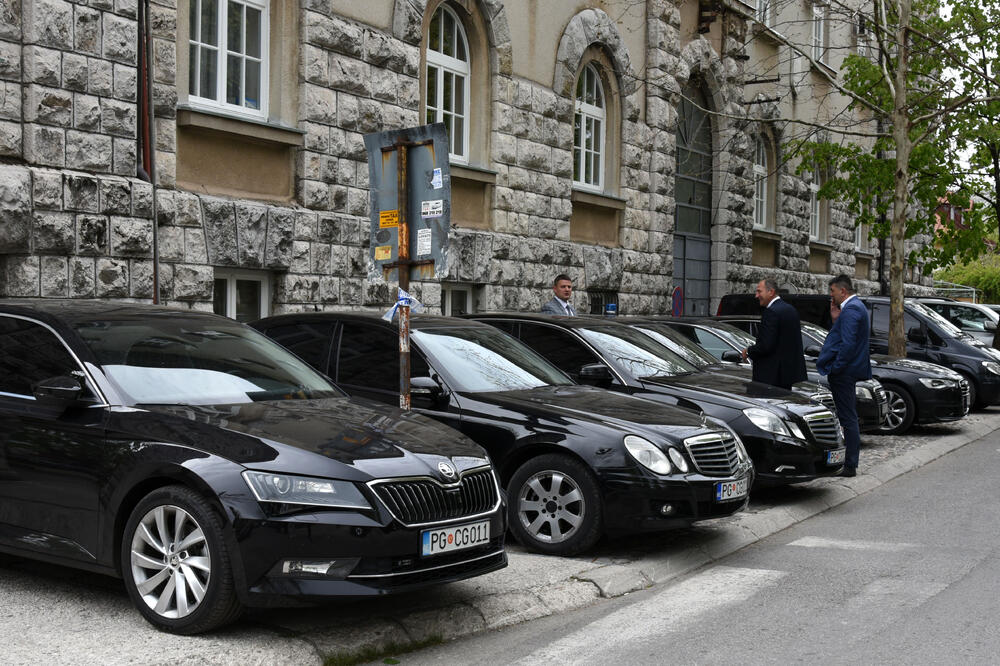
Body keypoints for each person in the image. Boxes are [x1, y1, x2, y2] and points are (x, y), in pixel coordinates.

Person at [816, 275, 871, 477]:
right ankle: (849, 463)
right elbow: (845, 336)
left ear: (843, 291)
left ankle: (850, 465)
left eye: (832, 291)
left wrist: (836, 368)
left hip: (844, 372)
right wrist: (835, 320)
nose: (831, 295)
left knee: (848, 418)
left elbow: (847, 344)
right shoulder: (852, 308)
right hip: (846, 370)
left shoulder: (853, 308)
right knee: (848, 417)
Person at [742, 279, 808, 390]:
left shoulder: (771, 312)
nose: (756, 296)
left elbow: (766, 345)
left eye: (759, 291)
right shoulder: (791, 310)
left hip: (770, 378)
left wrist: (748, 351)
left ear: (771, 292)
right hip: (787, 376)